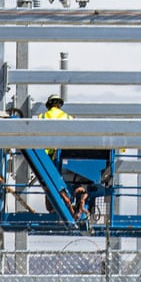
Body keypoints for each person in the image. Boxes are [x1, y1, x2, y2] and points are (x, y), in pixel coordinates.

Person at [39, 95, 93, 224]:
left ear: (49, 105)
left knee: (49, 184)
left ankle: (54, 207)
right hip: (64, 156)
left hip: (46, 158)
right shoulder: (68, 118)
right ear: (60, 105)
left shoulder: (42, 117)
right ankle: (76, 205)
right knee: (69, 181)